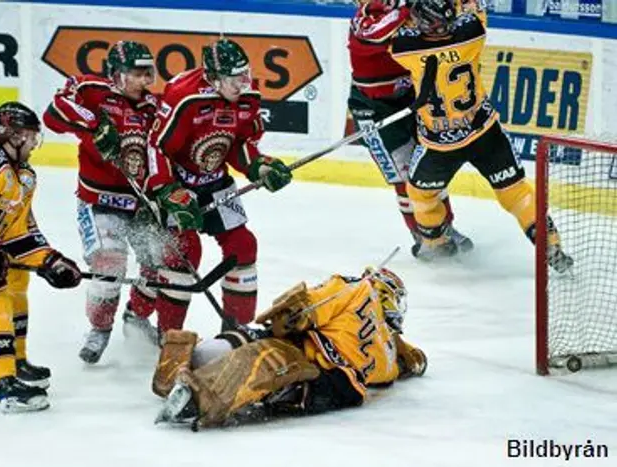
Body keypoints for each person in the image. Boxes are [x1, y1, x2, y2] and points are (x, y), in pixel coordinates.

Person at [389, 0, 573, 270]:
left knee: (420, 194)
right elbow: (474, 7)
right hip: (486, 133)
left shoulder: (405, 48)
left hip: (439, 146)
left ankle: (436, 244)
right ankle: (550, 244)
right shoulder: (472, 33)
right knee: (517, 193)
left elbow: (395, 23)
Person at [151, 266, 427, 429]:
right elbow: (414, 360)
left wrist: (297, 313)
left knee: (266, 351)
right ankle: (202, 377)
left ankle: (193, 374)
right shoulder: (391, 347)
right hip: (339, 387)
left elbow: (313, 302)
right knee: (267, 349)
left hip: (323, 370)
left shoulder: (356, 291)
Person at [146, 38, 292, 331]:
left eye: (244, 75)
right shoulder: (185, 97)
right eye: (233, 79)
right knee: (185, 253)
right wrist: (167, 189)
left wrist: (258, 165)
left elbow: (240, 143)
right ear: (212, 79)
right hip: (178, 185)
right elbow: (156, 146)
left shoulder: (248, 97)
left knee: (244, 246)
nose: (242, 85)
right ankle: (169, 336)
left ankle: (235, 332)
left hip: (216, 182)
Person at [43, 40, 167, 364]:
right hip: (99, 199)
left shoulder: (154, 107)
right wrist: (96, 124)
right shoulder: (91, 90)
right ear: (117, 74)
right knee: (109, 265)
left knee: (159, 262)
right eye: (138, 74)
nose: (146, 81)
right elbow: (54, 113)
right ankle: (99, 329)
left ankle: (136, 318)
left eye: (149, 73)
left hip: (140, 202)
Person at [0, 102, 82, 412]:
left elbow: (20, 233)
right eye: (32, 136)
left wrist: (51, 261)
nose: (36, 143)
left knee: (16, 283)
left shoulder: (25, 176)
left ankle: (17, 360)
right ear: (15, 136)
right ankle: (5, 386)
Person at [347, 0, 472, 258]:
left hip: (411, 99)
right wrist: (405, 9)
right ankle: (422, 235)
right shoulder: (365, 17)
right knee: (404, 178)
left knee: (430, 169)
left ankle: (444, 226)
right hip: (373, 108)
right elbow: (375, 34)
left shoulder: (411, 11)